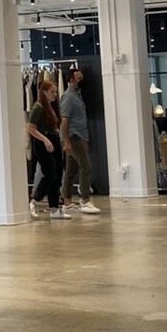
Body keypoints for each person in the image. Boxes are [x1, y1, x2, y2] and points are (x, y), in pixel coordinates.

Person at [59, 68, 100, 214]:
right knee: (86, 166)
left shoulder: (78, 95)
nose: (82, 80)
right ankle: (85, 200)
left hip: (80, 136)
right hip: (74, 136)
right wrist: (66, 141)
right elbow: (64, 120)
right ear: (71, 80)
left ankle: (67, 201)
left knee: (71, 169)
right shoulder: (69, 97)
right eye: (79, 78)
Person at [27, 81, 69, 220]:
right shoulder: (38, 107)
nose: (55, 94)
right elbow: (30, 128)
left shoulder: (51, 107)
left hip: (54, 139)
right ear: (44, 92)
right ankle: (35, 199)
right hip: (43, 142)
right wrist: (45, 140)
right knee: (50, 173)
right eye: (52, 92)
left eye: (55, 92)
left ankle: (54, 208)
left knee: (58, 174)